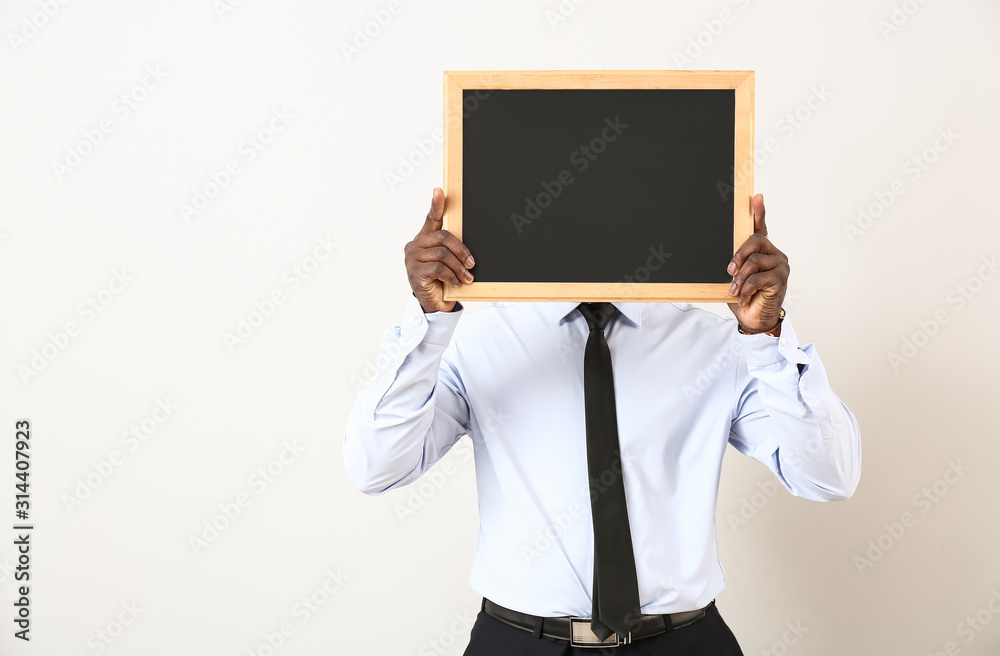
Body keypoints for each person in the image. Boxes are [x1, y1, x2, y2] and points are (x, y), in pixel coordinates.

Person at [343, 187, 862, 654]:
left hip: (683, 643)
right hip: (520, 643)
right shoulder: (477, 342)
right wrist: (430, 323)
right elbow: (378, 468)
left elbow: (828, 476)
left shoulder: (721, 345)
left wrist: (769, 338)